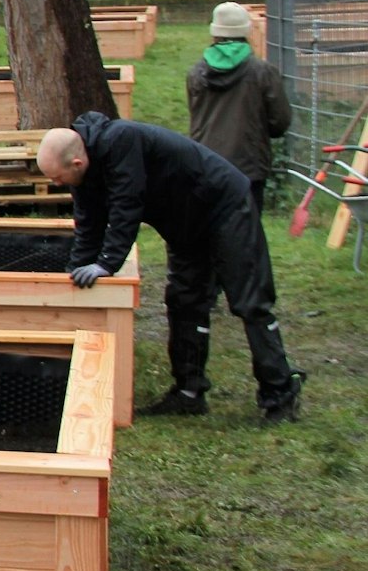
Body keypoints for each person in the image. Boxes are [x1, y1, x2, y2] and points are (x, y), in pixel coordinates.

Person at [36, 114, 305, 422]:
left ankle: (281, 393)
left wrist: (106, 265)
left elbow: (127, 205)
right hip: (184, 222)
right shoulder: (82, 172)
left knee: (250, 302)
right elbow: (88, 223)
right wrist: (75, 271)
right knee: (184, 302)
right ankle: (189, 392)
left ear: (76, 164)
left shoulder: (121, 141)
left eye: (57, 178)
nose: (55, 184)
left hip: (224, 206)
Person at [187, 1, 290, 209]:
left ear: (214, 32)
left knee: (212, 232)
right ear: (246, 32)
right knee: (247, 234)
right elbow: (280, 121)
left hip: (206, 164)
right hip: (249, 167)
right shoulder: (262, 72)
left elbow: (195, 115)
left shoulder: (196, 73)